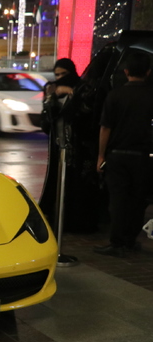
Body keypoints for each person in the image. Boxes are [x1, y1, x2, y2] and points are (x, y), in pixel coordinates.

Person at [94, 51, 153, 257]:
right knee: (138, 201)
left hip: (117, 156)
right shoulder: (151, 95)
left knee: (118, 200)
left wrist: (101, 156)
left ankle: (116, 242)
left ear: (126, 71)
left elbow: (105, 128)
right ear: (148, 71)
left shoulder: (115, 95)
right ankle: (130, 240)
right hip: (144, 156)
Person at [39, 58, 100, 234]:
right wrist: (51, 97)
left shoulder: (84, 89)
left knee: (78, 186)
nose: (59, 78)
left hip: (79, 148)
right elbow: (46, 121)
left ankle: (78, 224)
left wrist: (71, 93)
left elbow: (86, 115)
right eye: (57, 74)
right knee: (57, 184)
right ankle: (58, 222)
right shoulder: (52, 89)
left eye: (63, 74)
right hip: (58, 147)